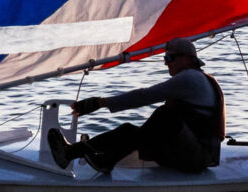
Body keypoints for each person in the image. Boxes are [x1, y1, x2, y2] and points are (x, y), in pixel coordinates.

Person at [46, 38, 225, 176]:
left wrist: (100, 103)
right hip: (196, 155)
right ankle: (95, 157)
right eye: (165, 58)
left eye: (170, 58)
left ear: (188, 59)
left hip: (197, 159)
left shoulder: (190, 78)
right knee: (130, 130)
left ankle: (82, 154)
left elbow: (145, 95)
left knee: (165, 116)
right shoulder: (197, 78)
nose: (166, 63)